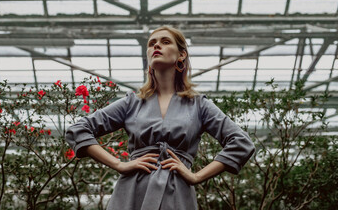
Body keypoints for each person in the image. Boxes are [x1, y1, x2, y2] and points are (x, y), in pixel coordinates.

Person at [65, 26, 255, 210]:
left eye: (165, 42)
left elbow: (241, 143)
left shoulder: (199, 105)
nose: (156, 46)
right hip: (132, 192)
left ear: (181, 55)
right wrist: (119, 164)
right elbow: (78, 130)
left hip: (177, 193)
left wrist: (197, 176)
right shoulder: (132, 103)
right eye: (151, 43)